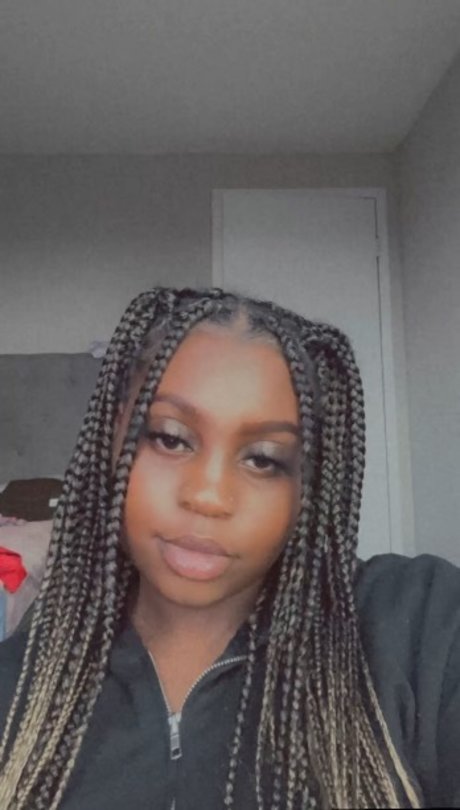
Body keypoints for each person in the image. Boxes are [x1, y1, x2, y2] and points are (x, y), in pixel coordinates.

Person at [0, 286, 459, 810]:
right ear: (115, 432)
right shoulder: (22, 683)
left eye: (263, 459)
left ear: (308, 483)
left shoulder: (420, 627)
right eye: (170, 438)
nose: (209, 496)